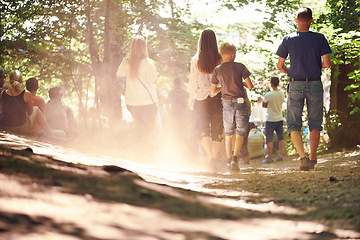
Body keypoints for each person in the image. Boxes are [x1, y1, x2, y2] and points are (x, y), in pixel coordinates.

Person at [276, 7, 332, 171]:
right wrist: (315, 66)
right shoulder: (319, 38)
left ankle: (302, 157)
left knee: (294, 123)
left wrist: (290, 73)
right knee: (315, 123)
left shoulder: (288, 39)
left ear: (296, 20)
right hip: (315, 83)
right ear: (311, 20)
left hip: (295, 84)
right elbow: (327, 64)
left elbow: (280, 66)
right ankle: (313, 158)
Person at [211, 42, 254, 171]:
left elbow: (212, 91)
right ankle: (235, 158)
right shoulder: (240, 67)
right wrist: (241, 84)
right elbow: (250, 86)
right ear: (232, 54)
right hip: (240, 102)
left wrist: (223, 87)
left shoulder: (217, 70)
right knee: (240, 131)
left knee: (228, 133)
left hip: (226, 103)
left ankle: (229, 160)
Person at [188, 29, 224, 170]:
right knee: (217, 129)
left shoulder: (195, 59)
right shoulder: (220, 59)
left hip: (201, 100)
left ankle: (210, 157)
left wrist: (190, 100)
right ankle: (214, 158)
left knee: (202, 129)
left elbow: (193, 82)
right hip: (218, 99)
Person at [116, 35, 159, 151]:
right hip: (148, 101)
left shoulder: (126, 62)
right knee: (149, 128)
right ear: (144, 47)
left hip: (131, 102)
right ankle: (145, 152)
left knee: (140, 126)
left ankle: (138, 150)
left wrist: (126, 87)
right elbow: (153, 80)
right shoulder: (148, 63)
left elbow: (118, 76)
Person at [0, 70, 54, 137]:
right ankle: (51, 135)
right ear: (21, 82)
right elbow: (31, 112)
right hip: (21, 128)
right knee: (36, 109)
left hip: (5, 127)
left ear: (9, 80)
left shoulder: (3, 93)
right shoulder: (26, 94)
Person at [262, 77, 285, 163]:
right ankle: (280, 155)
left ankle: (270, 157)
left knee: (269, 138)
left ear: (271, 84)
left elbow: (264, 105)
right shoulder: (281, 94)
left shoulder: (268, 94)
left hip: (270, 118)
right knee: (280, 137)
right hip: (279, 118)